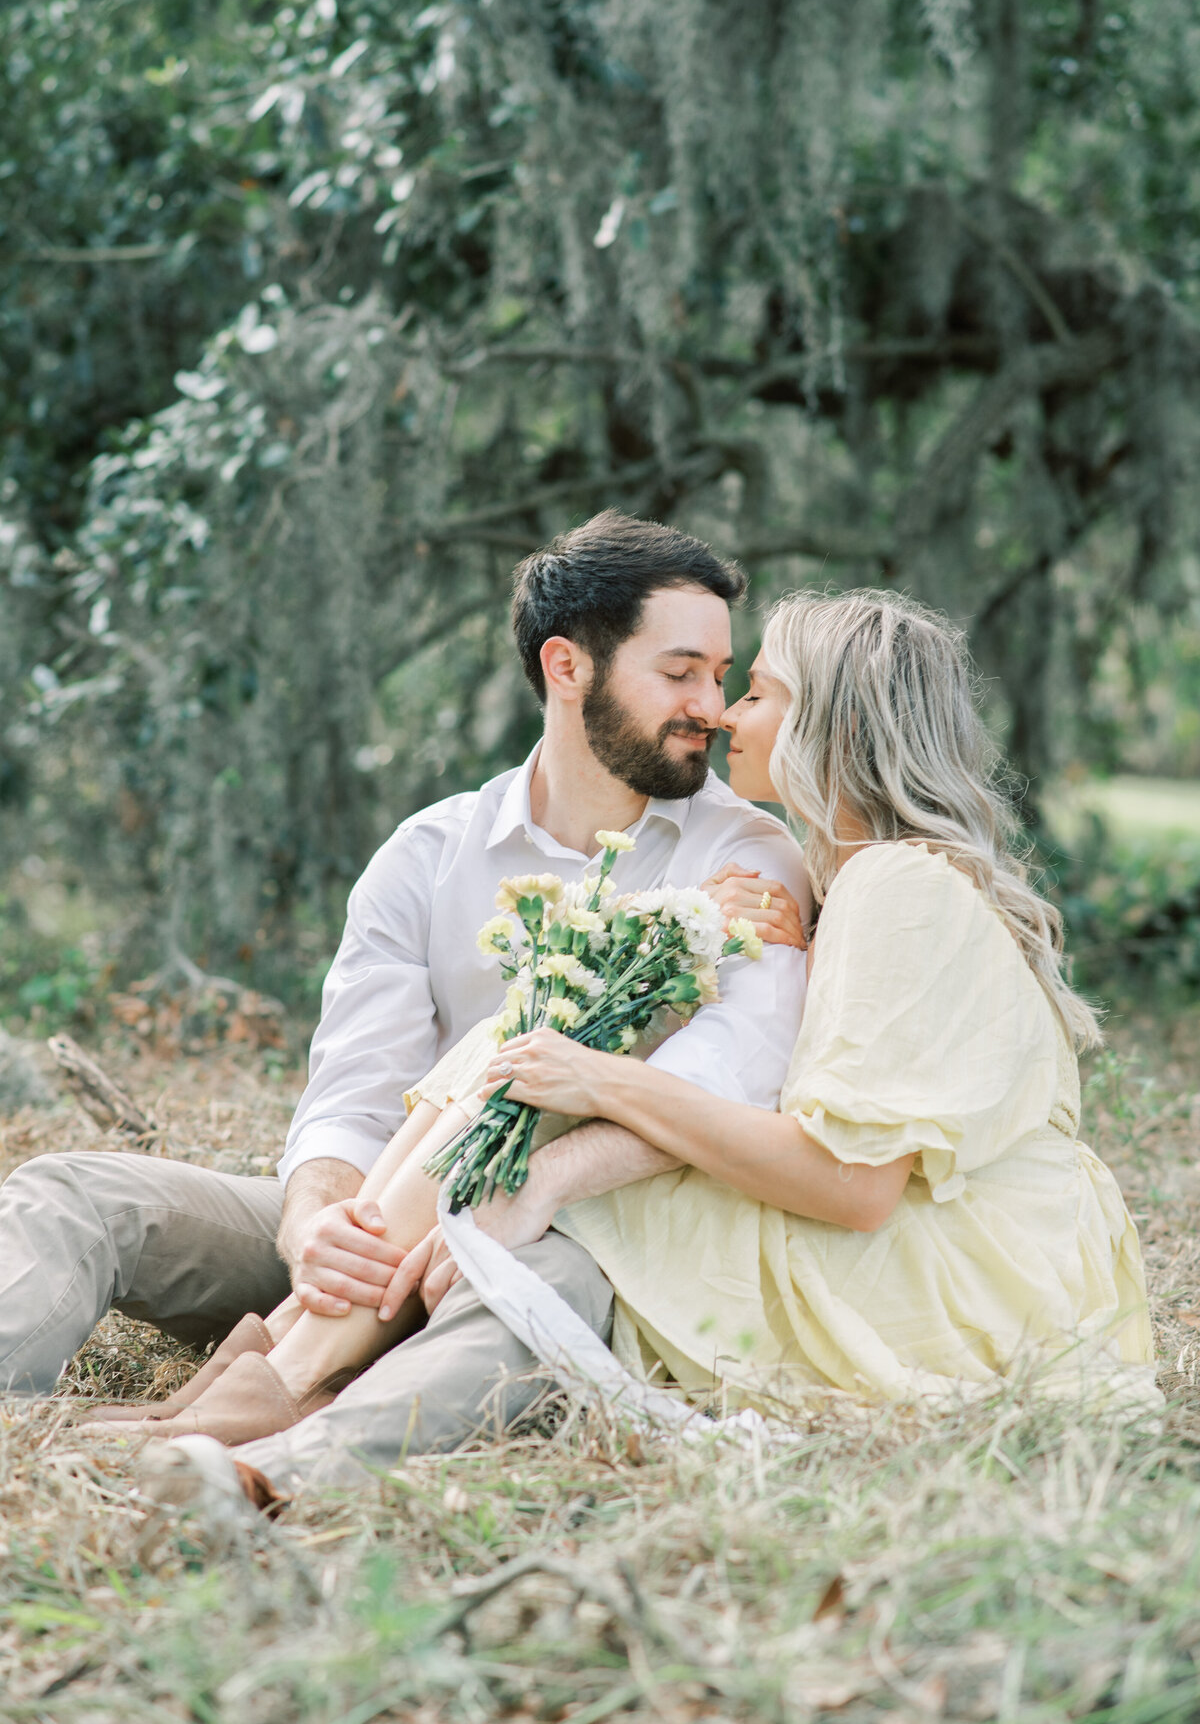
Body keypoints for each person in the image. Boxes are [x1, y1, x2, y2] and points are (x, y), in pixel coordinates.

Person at [105, 588, 1155, 1524]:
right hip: (936, 1262)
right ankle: (289, 1381)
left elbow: (858, 1184)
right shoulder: (859, 885)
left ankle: (283, 1407)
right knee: (509, 1059)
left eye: (758, 692)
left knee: (551, 1154)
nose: (727, 713)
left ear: (831, 725)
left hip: (937, 1286)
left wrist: (593, 1094)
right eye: (708, 681)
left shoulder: (899, 886)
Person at [0, 512, 810, 1463]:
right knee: (72, 1192)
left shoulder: (749, 858)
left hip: (557, 1234)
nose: (711, 707)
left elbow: (732, 1083)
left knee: (536, 1305)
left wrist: (499, 1212)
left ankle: (272, 1456)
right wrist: (315, 1224)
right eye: (680, 673)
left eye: (721, 676)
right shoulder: (428, 854)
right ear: (568, 666)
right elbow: (354, 1085)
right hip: (379, 1224)